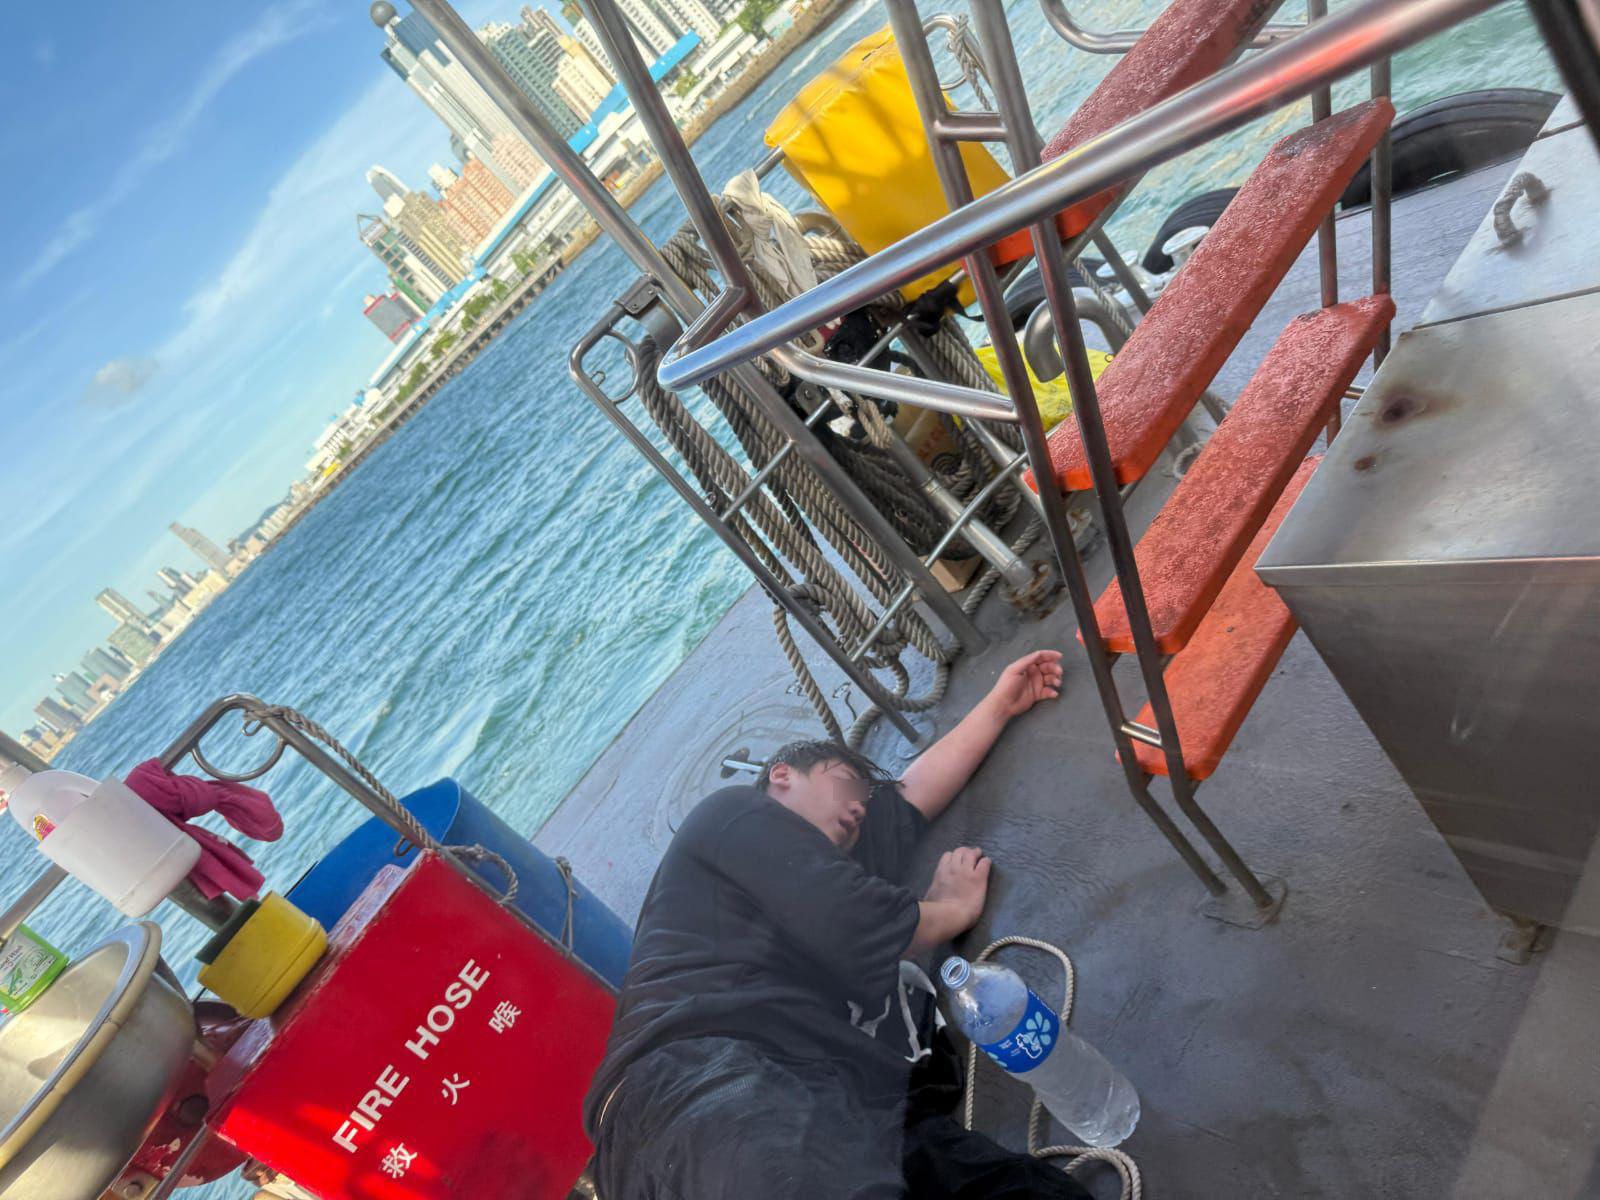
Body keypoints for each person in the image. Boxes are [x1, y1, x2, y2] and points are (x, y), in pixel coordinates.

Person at [584, 650, 1093, 1199]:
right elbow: (858, 920)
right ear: (782, 777)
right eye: (845, 785)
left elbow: (910, 796)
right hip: (691, 1081)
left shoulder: (826, 862)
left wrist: (1000, 703)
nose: (857, 808)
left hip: (826, 1087)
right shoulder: (732, 815)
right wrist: (946, 908)